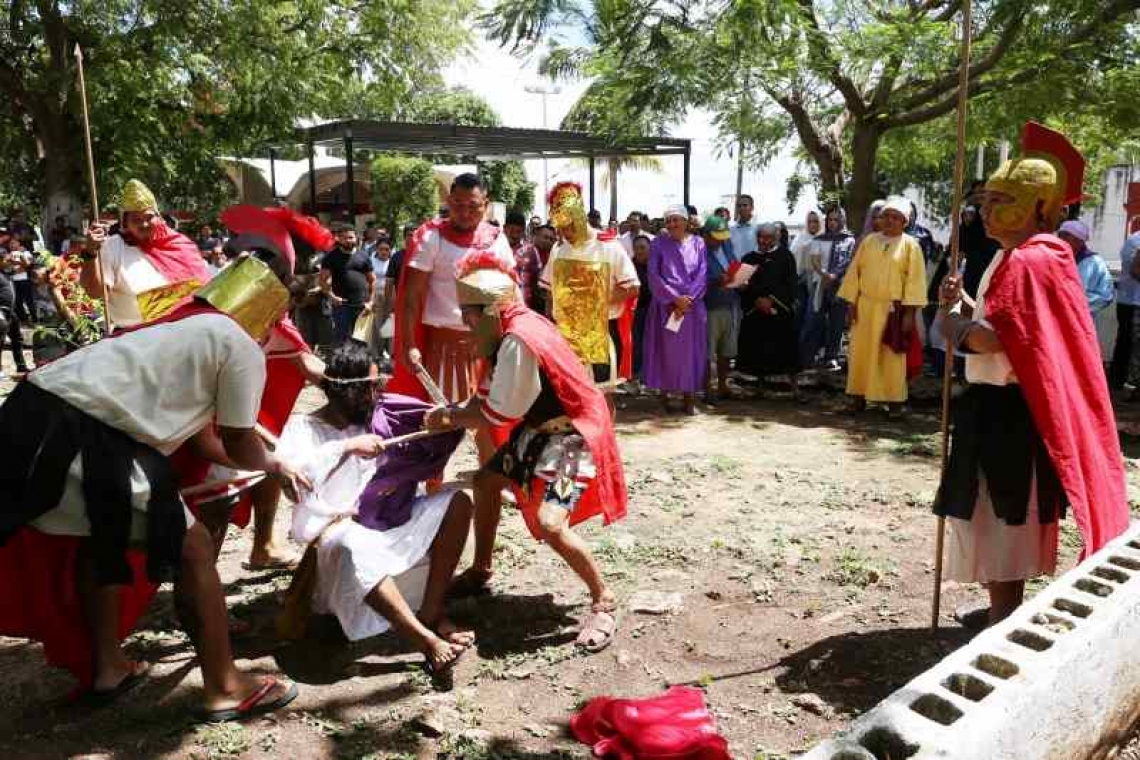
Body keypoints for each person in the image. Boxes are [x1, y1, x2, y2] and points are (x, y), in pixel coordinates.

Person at [0, 244, 308, 719]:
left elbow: (206, 445)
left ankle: (109, 667)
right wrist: (277, 465)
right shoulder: (241, 346)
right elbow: (241, 443)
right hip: (83, 428)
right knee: (195, 548)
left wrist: (264, 461)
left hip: (29, 414)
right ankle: (226, 685)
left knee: (97, 535)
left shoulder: (185, 330)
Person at [934, 122, 1128, 626]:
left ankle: (1003, 616)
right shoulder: (1013, 255)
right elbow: (1006, 327)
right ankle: (1001, 607)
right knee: (995, 512)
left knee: (1006, 514)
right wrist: (958, 308)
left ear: (1040, 207)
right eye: (988, 199)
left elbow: (997, 339)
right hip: (996, 405)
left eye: (1002, 199)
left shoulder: (1033, 260)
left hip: (1012, 412)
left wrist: (954, 323)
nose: (988, 210)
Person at [427, 250, 627, 653]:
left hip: (571, 439)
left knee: (552, 524)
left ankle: (604, 598)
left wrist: (447, 417)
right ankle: (482, 569)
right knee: (486, 481)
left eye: (467, 312)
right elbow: (490, 399)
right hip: (538, 432)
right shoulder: (513, 324)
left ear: (487, 309)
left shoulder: (519, 339)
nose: (463, 321)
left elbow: (498, 410)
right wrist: (452, 413)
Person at [277, 342, 475, 676]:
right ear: (344, 391)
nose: (375, 395)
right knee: (350, 542)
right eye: (370, 388)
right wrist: (346, 448)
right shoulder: (303, 428)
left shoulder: (379, 417)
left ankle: (431, 610)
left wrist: (444, 423)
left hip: (386, 520)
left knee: (458, 503)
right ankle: (425, 641)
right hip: (336, 538)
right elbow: (294, 485)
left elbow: (430, 429)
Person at [389, 173, 514, 468]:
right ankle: (432, 480)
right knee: (440, 416)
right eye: (458, 204)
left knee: (489, 417)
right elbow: (411, 295)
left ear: (486, 205)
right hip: (443, 344)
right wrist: (409, 344)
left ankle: (490, 478)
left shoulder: (497, 238)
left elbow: (510, 290)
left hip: (488, 344)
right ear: (448, 202)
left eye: (473, 206)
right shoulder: (432, 236)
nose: (465, 212)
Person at [540, 182, 640, 393]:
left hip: (600, 334)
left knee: (602, 395)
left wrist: (594, 298)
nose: (566, 233)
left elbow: (632, 288)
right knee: (569, 396)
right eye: (561, 227)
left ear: (581, 216)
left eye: (570, 226)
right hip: (566, 334)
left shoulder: (609, 246)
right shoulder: (558, 250)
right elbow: (549, 292)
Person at [837, 196, 927, 416]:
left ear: (905, 222)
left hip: (893, 311)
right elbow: (854, 274)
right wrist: (851, 303)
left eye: (896, 217)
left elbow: (915, 282)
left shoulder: (911, 246)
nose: (889, 221)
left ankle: (894, 403)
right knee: (860, 353)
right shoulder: (868, 242)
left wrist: (909, 315)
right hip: (865, 306)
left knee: (892, 356)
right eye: (886, 216)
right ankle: (857, 398)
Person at [81, 180, 212, 329]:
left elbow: (204, 289)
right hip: (134, 338)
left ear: (158, 217)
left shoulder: (180, 243)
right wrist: (90, 253)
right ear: (125, 223)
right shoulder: (113, 246)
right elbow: (95, 293)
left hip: (182, 331)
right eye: (136, 219)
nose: (144, 224)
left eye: (149, 217)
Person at [642, 205, 708, 415]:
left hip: (690, 308)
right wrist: (674, 298)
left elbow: (702, 273)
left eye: (676, 219)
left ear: (686, 221)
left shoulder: (698, 243)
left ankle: (689, 399)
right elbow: (653, 275)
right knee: (664, 353)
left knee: (690, 354)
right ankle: (664, 398)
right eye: (668, 220)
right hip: (665, 307)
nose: (672, 224)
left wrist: (687, 299)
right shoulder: (658, 243)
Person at [737, 223, 800, 399]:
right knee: (758, 349)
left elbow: (791, 284)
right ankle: (760, 386)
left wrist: (771, 300)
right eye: (760, 237)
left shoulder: (786, 256)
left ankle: (795, 388)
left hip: (780, 310)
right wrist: (754, 299)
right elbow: (740, 285)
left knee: (787, 350)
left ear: (776, 238)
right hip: (755, 311)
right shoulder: (748, 258)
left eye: (768, 237)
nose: (763, 241)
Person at [801, 208, 855, 371]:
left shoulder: (849, 240)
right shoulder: (819, 239)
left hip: (840, 286)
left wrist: (835, 276)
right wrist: (825, 275)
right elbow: (815, 260)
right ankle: (808, 356)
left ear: (843, 221)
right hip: (821, 285)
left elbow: (849, 261)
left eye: (836, 220)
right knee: (814, 320)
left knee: (836, 323)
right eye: (830, 219)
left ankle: (831, 357)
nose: (832, 223)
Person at [701, 214, 741, 404]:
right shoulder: (699, 251)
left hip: (730, 302)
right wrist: (717, 280)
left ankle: (723, 385)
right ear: (707, 235)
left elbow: (734, 264)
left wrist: (741, 279)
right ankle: (707, 389)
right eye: (717, 237)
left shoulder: (726, 245)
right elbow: (697, 279)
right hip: (711, 306)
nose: (720, 241)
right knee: (708, 352)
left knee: (727, 350)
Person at [320, 225, 374, 345]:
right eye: (344, 238)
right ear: (338, 239)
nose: (348, 240)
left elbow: (372, 280)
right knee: (341, 341)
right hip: (341, 306)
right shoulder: (330, 257)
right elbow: (323, 281)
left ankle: (362, 364)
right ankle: (339, 364)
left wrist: (370, 301)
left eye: (350, 237)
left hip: (362, 306)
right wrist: (332, 297)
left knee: (361, 342)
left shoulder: (364, 256)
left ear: (356, 238)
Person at [1056, 220, 1113, 318]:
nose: (1062, 241)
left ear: (1080, 242)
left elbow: (1106, 295)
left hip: (1081, 319)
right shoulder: (1051, 257)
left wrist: (1075, 304)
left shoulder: (1095, 262)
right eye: (1061, 236)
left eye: (1066, 237)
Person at [1110, 228, 1140, 389]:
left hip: (1128, 298)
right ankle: (1120, 379)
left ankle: (1119, 378)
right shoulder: (1136, 241)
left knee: (1125, 341)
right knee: (1127, 342)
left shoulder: (1134, 239)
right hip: (1131, 300)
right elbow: (1135, 270)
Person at [504, 210, 542, 312]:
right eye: (511, 230)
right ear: (504, 228)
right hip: (501, 307)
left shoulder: (531, 251)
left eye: (519, 231)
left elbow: (537, 280)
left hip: (524, 307)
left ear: (523, 231)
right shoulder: (496, 249)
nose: (515, 235)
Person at [0, 248, 28, 377]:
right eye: (6, 259)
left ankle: (21, 366)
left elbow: (25, 266)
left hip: (10, 312)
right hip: (1, 312)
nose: (9, 261)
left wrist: (18, 258)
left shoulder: (7, 272)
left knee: (17, 338)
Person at [631, 234, 653, 381]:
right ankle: (637, 373)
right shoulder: (629, 266)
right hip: (636, 311)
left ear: (650, 248)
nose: (639, 251)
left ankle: (650, 373)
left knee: (651, 343)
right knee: (637, 343)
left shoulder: (656, 265)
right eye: (636, 248)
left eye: (643, 247)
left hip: (654, 311)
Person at [730, 195, 761, 260]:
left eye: (745, 205)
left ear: (752, 207)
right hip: (735, 267)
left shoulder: (759, 227)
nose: (741, 208)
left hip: (754, 267)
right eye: (739, 206)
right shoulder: (731, 227)